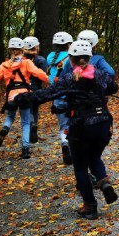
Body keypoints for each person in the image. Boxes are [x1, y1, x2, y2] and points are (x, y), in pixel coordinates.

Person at [16, 39, 119, 220]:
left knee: (80, 166)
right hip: (103, 124)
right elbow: (113, 87)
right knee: (94, 157)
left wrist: (20, 99)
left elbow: (45, 94)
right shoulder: (100, 74)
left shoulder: (69, 78)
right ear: (90, 56)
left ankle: (90, 206)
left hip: (81, 126)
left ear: (71, 59)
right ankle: (104, 183)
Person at [0, 37, 49, 159]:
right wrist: (52, 80)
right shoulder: (27, 62)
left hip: (11, 96)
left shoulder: (5, 65)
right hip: (24, 95)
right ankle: (25, 149)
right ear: (22, 49)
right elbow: (39, 73)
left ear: (9, 50)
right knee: (25, 122)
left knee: (10, 116)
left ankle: (5, 129)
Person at [46, 31, 75, 164]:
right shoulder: (70, 58)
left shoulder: (50, 57)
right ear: (69, 44)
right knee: (74, 123)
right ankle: (73, 149)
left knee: (63, 124)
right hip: (70, 95)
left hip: (57, 96)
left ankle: (64, 142)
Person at [22, 36, 49, 144]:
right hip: (37, 89)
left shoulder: (21, 60)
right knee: (35, 109)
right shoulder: (41, 60)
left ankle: (31, 124)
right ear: (36, 47)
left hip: (23, 89)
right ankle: (34, 129)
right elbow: (45, 75)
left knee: (27, 110)